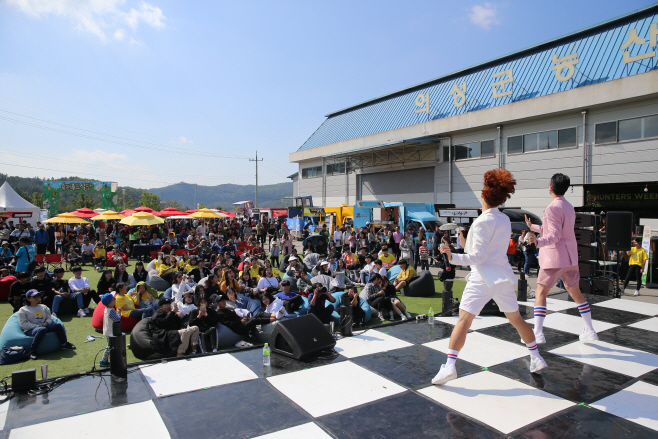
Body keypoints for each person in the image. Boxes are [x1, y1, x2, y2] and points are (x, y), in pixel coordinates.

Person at [433, 169, 547, 386]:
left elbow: (478, 257)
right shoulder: (504, 219)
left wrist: (451, 255)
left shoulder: (481, 222)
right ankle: (536, 357)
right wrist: (462, 244)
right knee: (516, 319)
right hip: (503, 276)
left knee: (464, 321)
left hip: (482, 277)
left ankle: (449, 366)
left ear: (484, 194)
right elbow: (487, 251)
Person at [525, 173, 598, 343]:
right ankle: (590, 329)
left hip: (554, 257)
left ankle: (538, 333)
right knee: (576, 292)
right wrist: (534, 227)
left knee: (541, 292)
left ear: (550, 187)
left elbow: (555, 235)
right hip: (570, 257)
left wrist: (537, 240)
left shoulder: (552, 208)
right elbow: (558, 230)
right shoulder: (568, 206)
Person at [19, 290, 76, 360]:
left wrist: (46, 323)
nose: (37, 298)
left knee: (57, 325)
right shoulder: (23, 310)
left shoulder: (43, 307)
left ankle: (64, 344)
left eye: (38, 296)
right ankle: (32, 351)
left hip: (44, 326)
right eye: (34, 296)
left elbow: (49, 318)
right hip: (31, 329)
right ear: (28, 299)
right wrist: (37, 326)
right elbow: (23, 324)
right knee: (42, 329)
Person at [99, 293, 122, 368]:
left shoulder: (107, 309)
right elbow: (117, 319)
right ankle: (104, 360)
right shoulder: (111, 311)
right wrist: (119, 313)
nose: (115, 300)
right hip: (111, 332)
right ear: (109, 302)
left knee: (110, 346)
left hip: (107, 331)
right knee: (110, 346)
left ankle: (106, 360)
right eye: (113, 299)